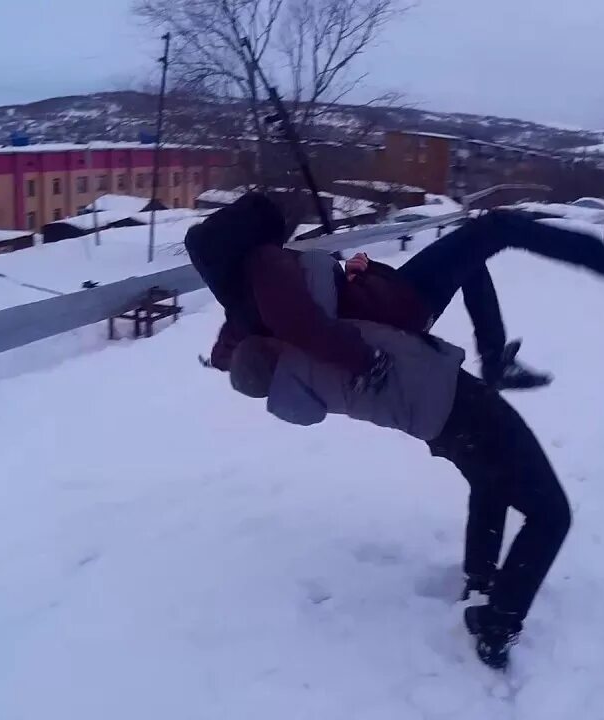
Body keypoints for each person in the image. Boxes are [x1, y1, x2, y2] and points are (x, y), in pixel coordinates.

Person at [223, 248, 571, 671]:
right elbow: (314, 269)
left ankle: (480, 582)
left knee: (489, 479)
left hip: (440, 424)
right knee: (551, 513)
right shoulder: (321, 342)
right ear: (274, 347)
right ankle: (497, 624)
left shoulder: (304, 383)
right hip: (458, 403)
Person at [196, 194, 604, 391]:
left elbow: (231, 344)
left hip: (391, 296)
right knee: (495, 227)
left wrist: (352, 275)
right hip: (399, 306)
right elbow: (307, 325)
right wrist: (366, 363)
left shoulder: (243, 293)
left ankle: (494, 359)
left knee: (471, 260)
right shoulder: (266, 266)